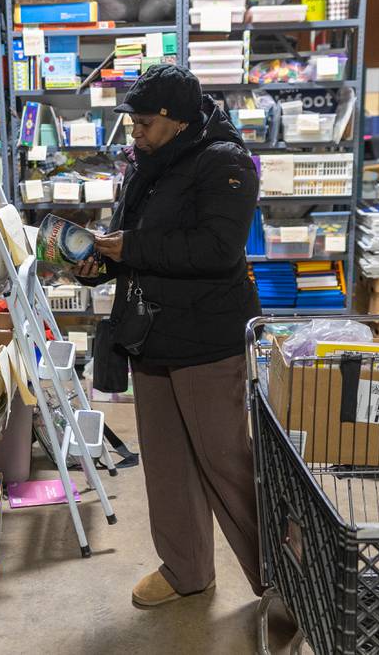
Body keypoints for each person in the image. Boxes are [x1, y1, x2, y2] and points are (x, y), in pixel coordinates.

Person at [74, 64, 263, 607]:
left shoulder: (226, 163)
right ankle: (186, 570)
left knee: (225, 463)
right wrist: (100, 263)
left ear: (177, 120)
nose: (135, 133)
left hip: (206, 338)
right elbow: (136, 239)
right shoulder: (147, 162)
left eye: (144, 124)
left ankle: (282, 581)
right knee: (166, 465)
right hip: (149, 332)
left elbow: (215, 250)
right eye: (133, 124)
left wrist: (129, 249)